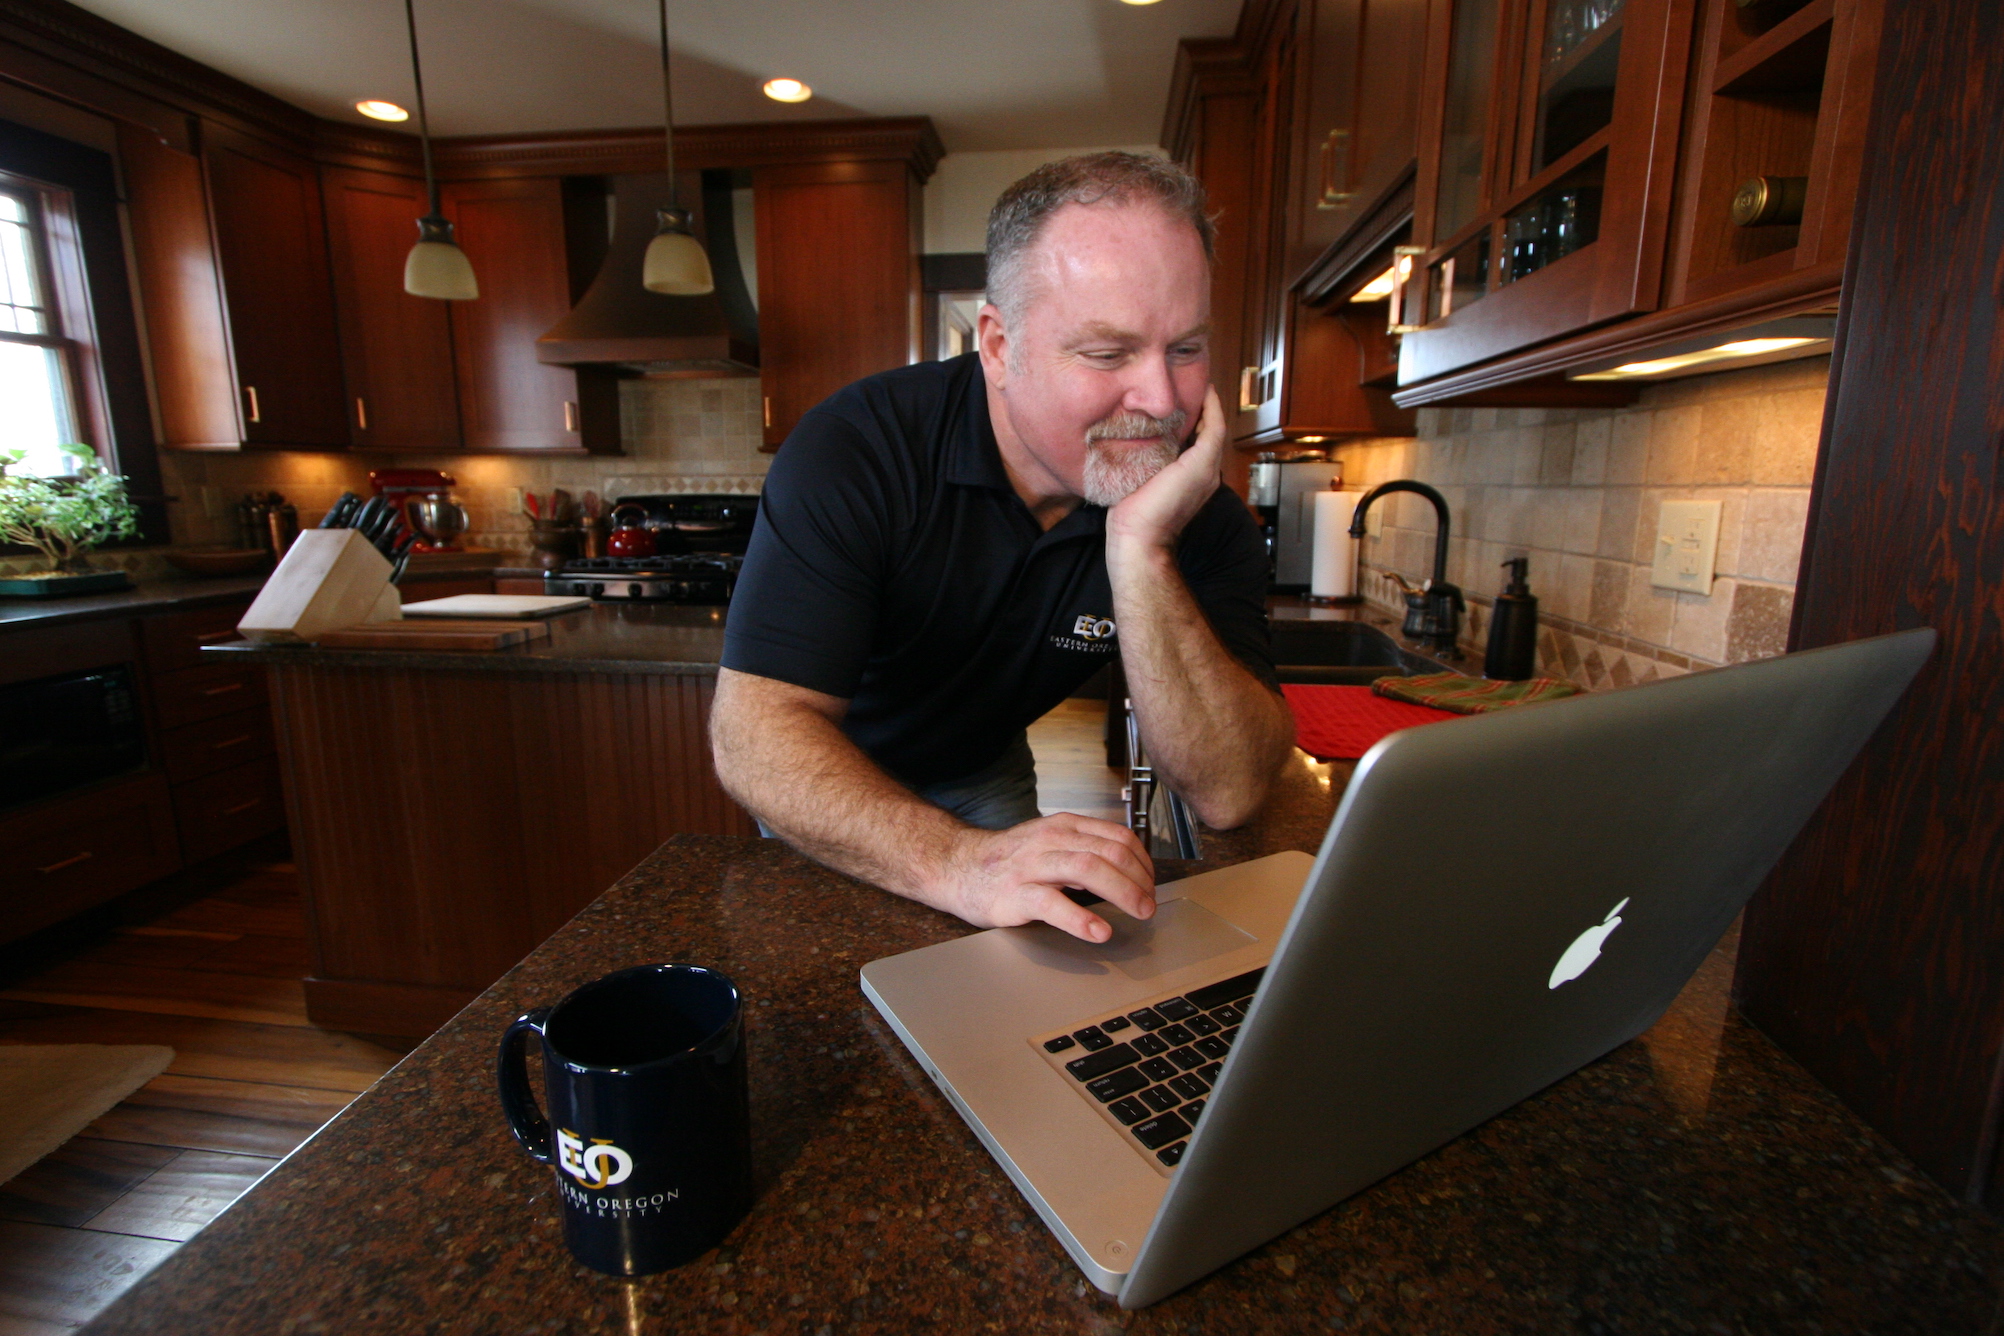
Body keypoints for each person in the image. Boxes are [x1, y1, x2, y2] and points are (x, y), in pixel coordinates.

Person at [710, 152, 1296, 944]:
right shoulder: (857, 448)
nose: (1163, 401)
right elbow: (754, 735)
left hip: (983, 763)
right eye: (1107, 353)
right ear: (997, 345)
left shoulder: (1193, 510)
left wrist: (1140, 550)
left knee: (1004, 982)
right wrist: (957, 862)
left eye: (1186, 349)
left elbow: (1230, 792)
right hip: (832, 774)